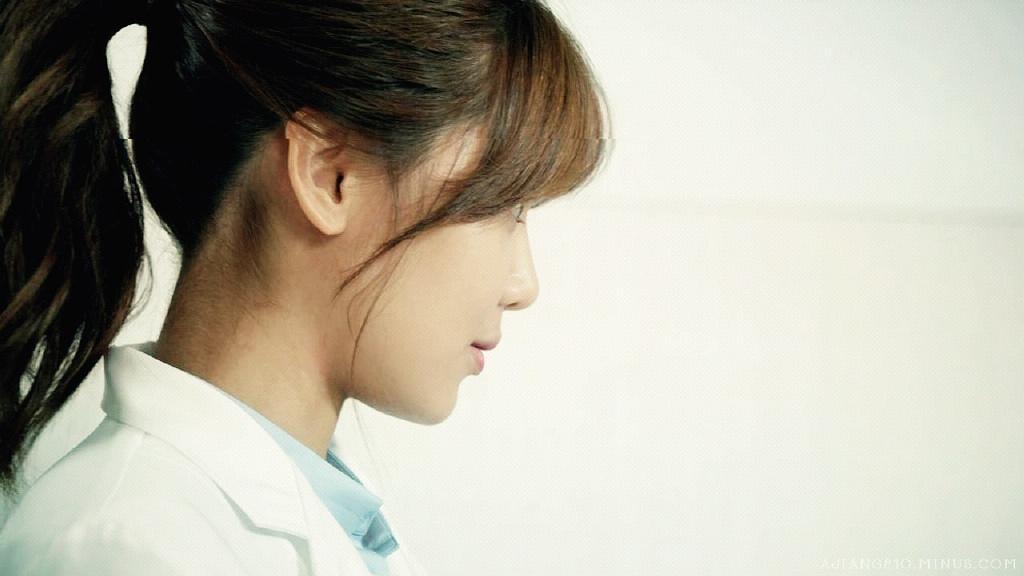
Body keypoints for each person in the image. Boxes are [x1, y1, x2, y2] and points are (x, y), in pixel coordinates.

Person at [0, 0, 607, 573]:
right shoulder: (129, 551)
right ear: (329, 177)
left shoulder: (323, 515)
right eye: (502, 206)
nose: (523, 286)